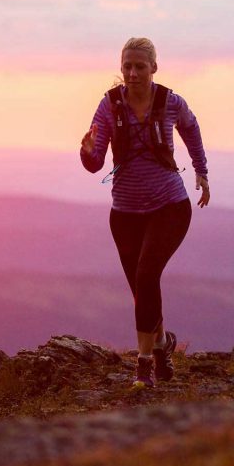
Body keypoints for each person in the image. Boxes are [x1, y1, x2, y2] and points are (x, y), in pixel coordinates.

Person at [80, 37, 211, 388]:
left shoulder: (170, 102)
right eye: (127, 66)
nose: (133, 73)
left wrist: (201, 170)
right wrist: (87, 152)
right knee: (142, 286)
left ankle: (143, 366)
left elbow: (191, 128)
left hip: (170, 206)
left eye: (140, 66)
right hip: (124, 213)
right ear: (120, 68)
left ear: (154, 67)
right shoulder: (109, 106)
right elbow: (95, 163)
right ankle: (164, 345)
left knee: (146, 273)